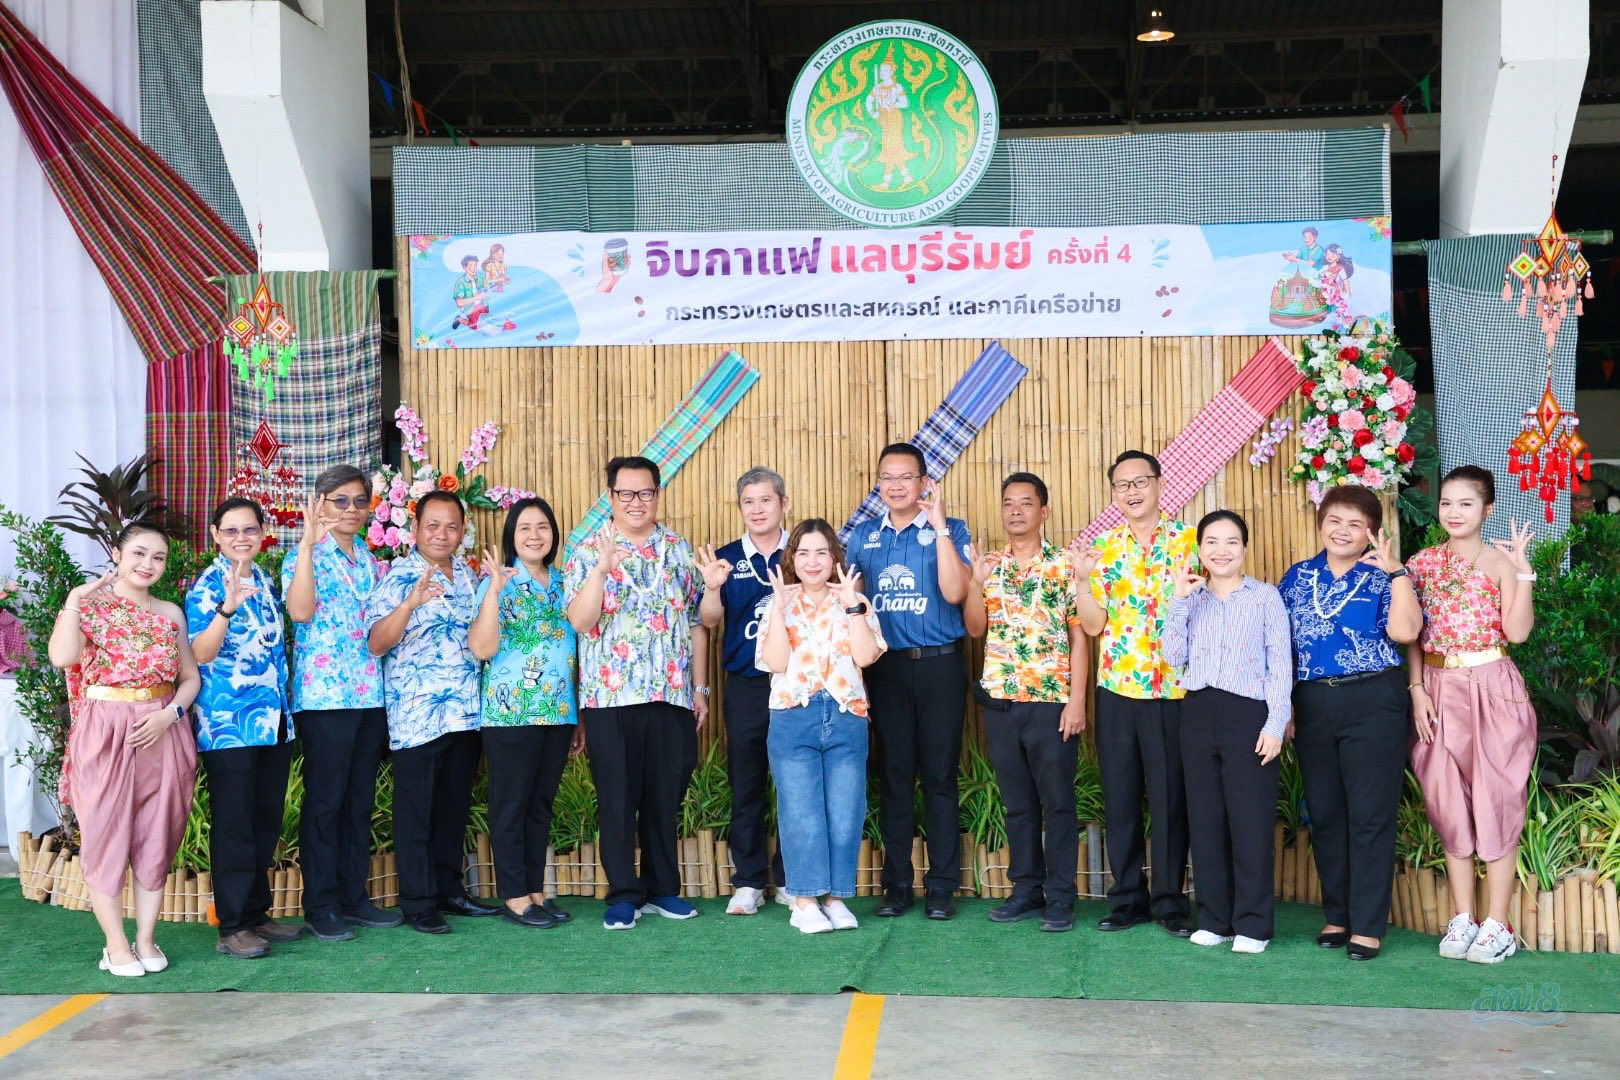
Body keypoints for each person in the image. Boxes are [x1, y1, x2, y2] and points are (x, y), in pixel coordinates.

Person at [48, 523, 199, 978]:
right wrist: (75, 599)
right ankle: (115, 945)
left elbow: (190, 678)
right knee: (104, 833)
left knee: (157, 833)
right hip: (104, 731)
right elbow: (62, 657)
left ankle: (146, 939)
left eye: (158, 557)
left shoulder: (170, 613)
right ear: (117, 554)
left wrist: (169, 715)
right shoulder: (90, 607)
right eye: (138, 553)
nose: (147, 564)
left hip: (162, 729)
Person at [565, 455, 708, 930]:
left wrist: (700, 688)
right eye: (626, 493)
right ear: (610, 497)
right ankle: (624, 893)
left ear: (657, 494)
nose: (636, 502)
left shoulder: (678, 548)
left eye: (645, 492)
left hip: (671, 693)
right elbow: (580, 622)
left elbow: (697, 622)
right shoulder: (587, 550)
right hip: (610, 697)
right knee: (617, 799)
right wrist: (600, 572)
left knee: (665, 796)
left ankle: (663, 888)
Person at [1279, 485, 1421, 960]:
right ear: (1321, 524)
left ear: (1372, 533)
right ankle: (1337, 914)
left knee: (1370, 813)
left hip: (1373, 699)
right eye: (1335, 520)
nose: (1343, 531)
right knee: (1325, 812)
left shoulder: (1387, 576)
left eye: (1356, 524)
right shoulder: (1297, 577)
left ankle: (1368, 923)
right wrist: (1284, 707)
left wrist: (1397, 573)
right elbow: (1280, 647)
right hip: (1312, 701)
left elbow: (1405, 632)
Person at [1407, 466, 1537, 964]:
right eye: (1446, 503)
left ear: (1488, 509)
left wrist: (1523, 572)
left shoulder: (1501, 563)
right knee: (1446, 800)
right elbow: (1412, 635)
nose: (1453, 512)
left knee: (1497, 797)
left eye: (1465, 503)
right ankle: (1463, 917)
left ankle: (1497, 923)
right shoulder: (1421, 564)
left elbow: (1517, 633)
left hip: (1491, 687)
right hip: (1437, 687)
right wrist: (1417, 689)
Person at [1069, 449, 1195, 937]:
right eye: (1122, 485)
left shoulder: (1190, 541)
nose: (1132, 491)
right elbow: (1093, 625)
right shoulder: (1103, 549)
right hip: (1119, 690)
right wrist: (1083, 582)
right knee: (1121, 798)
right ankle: (1126, 899)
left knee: (1169, 801)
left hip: (1174, 691)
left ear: (1160, 484)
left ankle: (1169, 902)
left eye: (1140, 481)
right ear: (1114, 494)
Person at [848, 442, 971, 920]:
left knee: (940, 776)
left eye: (906, 477)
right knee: (894, 777)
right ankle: (897, 885)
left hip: (941, 665)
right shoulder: (864, 537)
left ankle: (941, 886)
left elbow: (956, 592)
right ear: (878, 484)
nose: (896, 485)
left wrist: (938, 527)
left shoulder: (952, 528)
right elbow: (849, 606)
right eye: (888, 477)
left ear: (924, 482)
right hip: (886, 668)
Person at [1162, 510, 1293, 954]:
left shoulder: (1265, 598)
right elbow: (1172, 657)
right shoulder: (1190, 597)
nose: (1222, 550)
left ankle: (1253, 925)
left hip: (1248, 714)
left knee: (1250, 821)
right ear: (1200, 550)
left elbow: (1280, 665)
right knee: (1205, 819)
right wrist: (1179, 600)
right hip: (1198, 711)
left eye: (1232, 541)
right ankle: (1215, 919)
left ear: (1245, 548)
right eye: (1212, 542)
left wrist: (1275, 723)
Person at [366, 490, 496, 934]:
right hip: (417, 715)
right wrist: (409, 605)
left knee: (451, 809)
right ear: (416, 528)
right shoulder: (398, 577)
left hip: (465, 712)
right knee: (416, 813)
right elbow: (376, 644)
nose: (442, 534)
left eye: (451, 526)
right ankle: (419, 903)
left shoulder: (468, 575)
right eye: (433, 525)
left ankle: (449, 891)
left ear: (462, 531)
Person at [962, 473, 1087, 934]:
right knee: (1017, 803)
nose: (1016, 511)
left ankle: (1061, 897)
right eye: (1008, 503)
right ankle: (1026, 891)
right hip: (1001, 702)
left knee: (1057, 803)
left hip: (1051, 702)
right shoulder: (991, 567)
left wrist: (1077, 702)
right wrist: (974, 584)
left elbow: (1079, 637)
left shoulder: (1065, 566)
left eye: (1026, 503)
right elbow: (976, 629)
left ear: (1044, 511)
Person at [282, 466, 399, 942]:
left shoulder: (370, 561)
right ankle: (321, 905)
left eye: (359, 501)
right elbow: (300, 612)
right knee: (326, 802)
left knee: (358, 801)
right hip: (325, 697)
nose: (351, 509)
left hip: (369, 694)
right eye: (340, 500)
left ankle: (353, 898)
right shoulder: (303, 555)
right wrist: (307, 548)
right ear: (320, 504)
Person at [186, 498, 305, 960]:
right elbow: (201, 653)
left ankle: (256, 914)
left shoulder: (266, 580)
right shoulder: (207, 586)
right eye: (231, 530)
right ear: (216, 535)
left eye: (249, 529)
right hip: (228, 725)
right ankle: (232, 925)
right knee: (235, 824)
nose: (241, 538)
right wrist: (226, 609)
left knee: (264, 821)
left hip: (272, 721)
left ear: (262, 532)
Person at [757, 519, 887, 933]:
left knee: (846, 811)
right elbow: (776, 662)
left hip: (846, 715)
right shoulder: (778, 601)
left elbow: (866, 657)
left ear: (834, 558)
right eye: (803, 553)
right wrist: (779, 609)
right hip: (793, 714)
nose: (812, 561)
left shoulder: (855, 600)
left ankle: (835, 898)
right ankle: (804, 900)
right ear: (792, 559)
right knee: (801, 811)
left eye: (821, 553)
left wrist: (852, 606)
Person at [470, 497, 581, 929]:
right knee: (511, 804)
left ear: (554, 533)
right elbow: (482, 648)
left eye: (543, 527)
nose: (535, 535)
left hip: (558, 710)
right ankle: (515, 895)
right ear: (511, 537)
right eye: (524, 528)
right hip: (511, 712)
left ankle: (535, 890)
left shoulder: (565, 583)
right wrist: (494, 593)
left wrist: (578, 715)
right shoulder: (499, 581)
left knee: (540, 804)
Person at [696, 466, 790, 915]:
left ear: (783, 504)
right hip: (746, 685)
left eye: (765, 500)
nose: (757, 509)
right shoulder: (726, 558)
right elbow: (709, 620)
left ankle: (792, 877)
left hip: (795, 682)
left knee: (795, 783)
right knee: (746, 783)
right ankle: (749, 881)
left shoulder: (803, 551)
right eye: (748, 502)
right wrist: (713, 588)